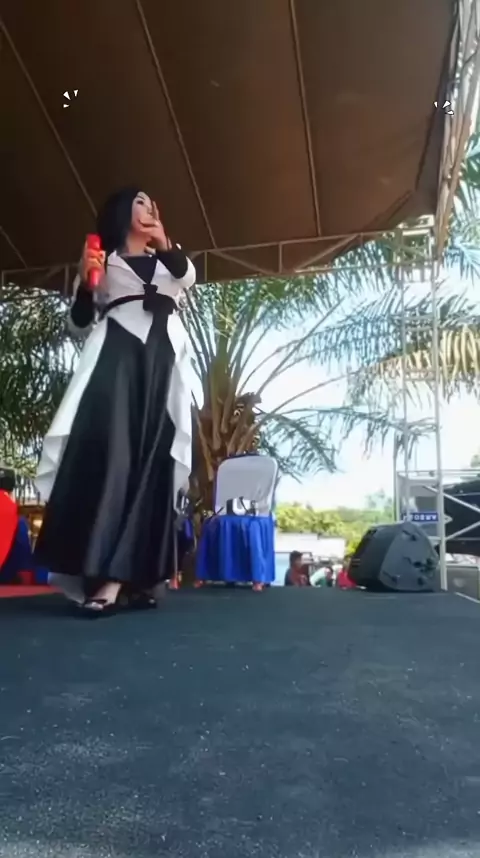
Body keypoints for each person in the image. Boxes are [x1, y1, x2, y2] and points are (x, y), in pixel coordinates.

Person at [34, 188, 196, 615]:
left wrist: (164, 243)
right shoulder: (101, 260)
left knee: (154, 463)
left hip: (162, 364)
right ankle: (103, 575)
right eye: (140, 201)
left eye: (153, 203)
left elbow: (186, 277)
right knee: (112, 460)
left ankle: (132, 579)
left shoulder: (171, 257)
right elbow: (79, 323)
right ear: (123, 212)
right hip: (116, 361)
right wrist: (85, 286)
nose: (149, 207)